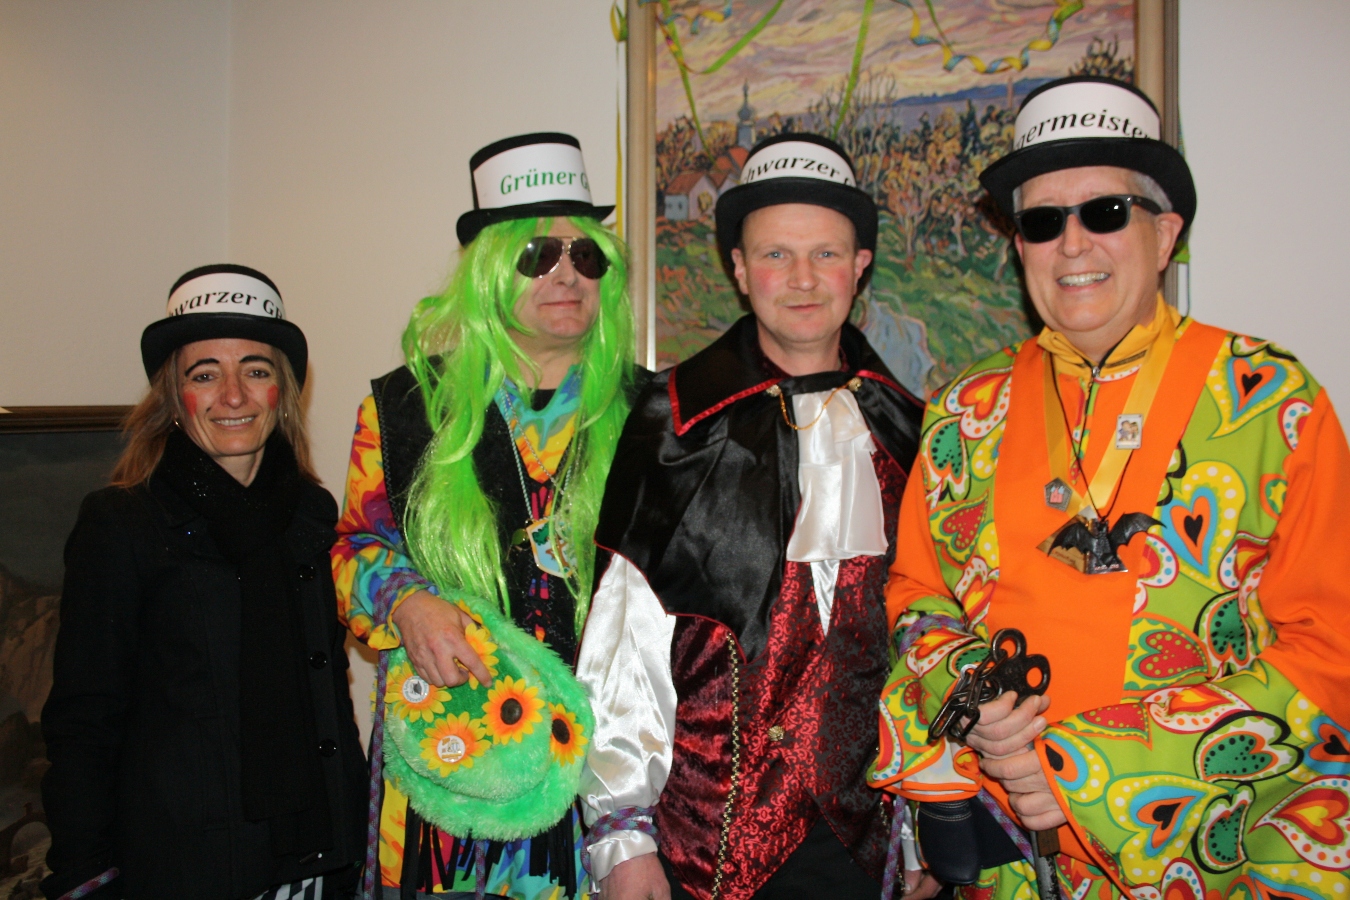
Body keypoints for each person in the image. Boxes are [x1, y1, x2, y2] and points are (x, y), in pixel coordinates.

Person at [873, 75, 1350, 898]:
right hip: (1005, 862)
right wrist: (974, 698)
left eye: (1106, 212)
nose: (1073, 244)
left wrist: (1086, 771)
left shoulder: (1274, 400)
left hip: (1214, 865)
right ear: (1018, 247)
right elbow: (918, 594)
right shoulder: (964, 409)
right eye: (1042, 221)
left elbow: (1330, 651)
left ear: (1165, 235)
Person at [576, 133, 927, 900]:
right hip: (707, 850)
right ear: (738, 269)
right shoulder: (671, 423)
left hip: (869, 844)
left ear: (861, 264)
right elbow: (624, 641)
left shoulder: (913, 433)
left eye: (826, 254)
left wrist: (926, 825)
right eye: (775, 255)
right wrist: (621, 835)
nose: (802, 279)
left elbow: (925, 644)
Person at [332, 133, 638, 899]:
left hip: (611, 789)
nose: (567, 274)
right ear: (489, 273)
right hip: (451, 772)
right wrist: (407, 602)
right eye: (537, 255)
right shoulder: (402, 410)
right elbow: (354, 548)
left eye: (586, 255)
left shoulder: (654, 415)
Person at [41, 264, 367, 900]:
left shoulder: (313, 514)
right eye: (205, 374)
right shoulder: (122, 524)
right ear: (173, 396)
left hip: (321, 858)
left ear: (283, 390)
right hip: (183, 867)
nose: (233, 395)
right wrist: (85, 874)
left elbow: (325, 691)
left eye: (256, 369)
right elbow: (84, 720)